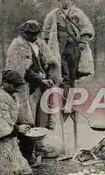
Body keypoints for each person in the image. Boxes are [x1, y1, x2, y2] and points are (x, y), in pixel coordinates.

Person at [5, 20, 62, 165]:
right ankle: (27, 153)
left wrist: (49, 76)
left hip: (40, 86)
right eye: (31, 34)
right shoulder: (17, 47)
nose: (34, 37)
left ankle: (39, 147)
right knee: (26, 118)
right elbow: (21, 70)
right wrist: (39, 78)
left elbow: (47, 63)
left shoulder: (40, 45)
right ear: (24, 33)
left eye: (36, 34)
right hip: (26, 88)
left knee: (41, 117)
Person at [41, 0, 95, 121]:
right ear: (59, 1)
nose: (65, 2)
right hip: (59, 50)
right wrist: (47, 47)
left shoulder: (78, 13)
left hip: (74, 48)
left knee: (71, 76)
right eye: (63, 0)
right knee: (62, 76)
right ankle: (64, 104)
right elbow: (46, 32)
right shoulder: (53, 15)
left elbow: (87, 27)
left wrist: (83, 41)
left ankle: (69, 104)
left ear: (71, 1)